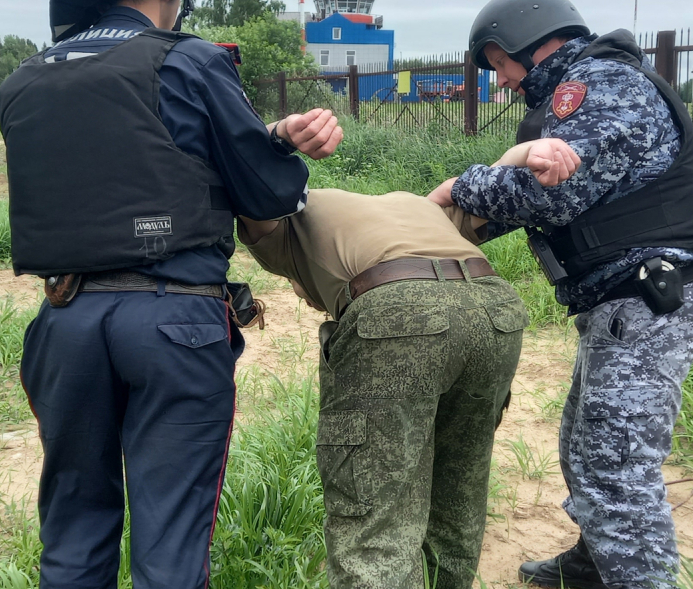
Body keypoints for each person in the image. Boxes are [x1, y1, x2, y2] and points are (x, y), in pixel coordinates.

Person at [0, 0, 342, 589]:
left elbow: (120, 163)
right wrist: (278, 146)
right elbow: (266, 192)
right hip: (173, 322)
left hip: (64, 324)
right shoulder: (187, 57)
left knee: (72, 531)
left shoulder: (25, 80)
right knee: (170, 549)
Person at [427, 0, 693, 589]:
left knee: (616, 469)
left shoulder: (602, 86)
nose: (501, 81)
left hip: (647, 302)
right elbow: (528, 198)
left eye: (499, 64)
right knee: (585, 445)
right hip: (624, 305)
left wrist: (461, 187)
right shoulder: (577, 97)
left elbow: (553, 193)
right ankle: (593, 565)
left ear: (532, 45)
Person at [235, 137, 577, 589]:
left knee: (373, 517)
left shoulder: (287, 231)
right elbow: (471, 185)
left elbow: (245, 179)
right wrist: (532, 148)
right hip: (494, 309)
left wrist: (281, 133)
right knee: (457, 494)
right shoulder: (419, 206)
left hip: (397, 307)